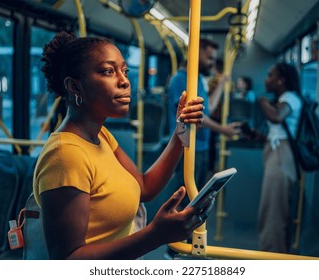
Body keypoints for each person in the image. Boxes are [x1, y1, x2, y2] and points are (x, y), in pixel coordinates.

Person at [33, 31, 216, 260]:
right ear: (75, 87)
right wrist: (155, 235)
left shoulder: (101, 135)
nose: (125, 81)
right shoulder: (65, 156)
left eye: (125, 71)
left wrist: (181, 133)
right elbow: (68, 260)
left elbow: (145, 187)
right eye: (108, 71)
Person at [167, 38, 240, 189]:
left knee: (197, 194)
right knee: (183, 198)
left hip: (201, 145)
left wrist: (221, 83)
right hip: (185, 147)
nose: (212, 63)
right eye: (209, 58)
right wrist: (223, 130)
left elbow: (209, 108)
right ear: (195, 54)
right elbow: (195, 115)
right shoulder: (181, 79)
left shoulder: (198, 79)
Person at [256, 62, 303, 253]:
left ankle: (271, 258)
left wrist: (262, 101)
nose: (266, 79)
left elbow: (277, 116)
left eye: (270, 75)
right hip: (276, 151)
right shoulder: (284, 97)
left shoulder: (290, 98)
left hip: (282, 156)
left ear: (281, 80)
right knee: (273, 207)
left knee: (273, 211)